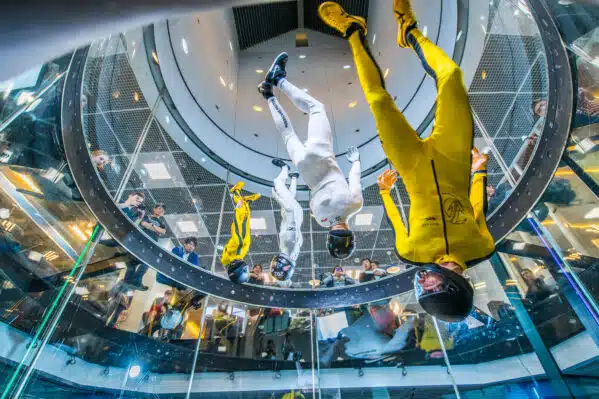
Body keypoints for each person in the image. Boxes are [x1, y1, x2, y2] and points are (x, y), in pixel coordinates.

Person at [319, 0, 495, 321]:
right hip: (453, 158)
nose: (423, 282)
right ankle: (410, 31)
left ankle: (352, 30)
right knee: (452, 77)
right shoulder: (481, 246)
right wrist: (480, 171)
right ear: (457, 284)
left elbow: (398, 221)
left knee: (377, 100)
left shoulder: (411, 252)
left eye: (422, 290)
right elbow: (478, 208)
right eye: (432, 288)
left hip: (410, 166)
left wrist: (385, 191)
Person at [258, 52, 363, 260]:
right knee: (287, 134)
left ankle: (278, 78)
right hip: (304, 168)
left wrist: (356, 161)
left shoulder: (355, 205)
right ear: (329, 239)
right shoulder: (320, 220)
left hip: (322, 154)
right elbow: (314, 198)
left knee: (317, 108)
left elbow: (355, 177)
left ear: (351, 234)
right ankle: (268, 95)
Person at [270, 163, 303, 287]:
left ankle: (294, 177)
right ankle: (285, 168)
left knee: (290, 196)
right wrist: (276, 197)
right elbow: (289, 209)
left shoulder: (292, 256)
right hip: (292, 212)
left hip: (293, 216)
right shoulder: (289, 245)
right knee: (278, 183)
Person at [220, 182, 260, 283]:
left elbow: (236, 226)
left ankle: (235, 192)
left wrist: (236, 209)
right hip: (240, 250)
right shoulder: (238, 259)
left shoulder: (226, 259)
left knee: (240, 217)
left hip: (236, 246)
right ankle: (247, 202)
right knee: (246, 219)